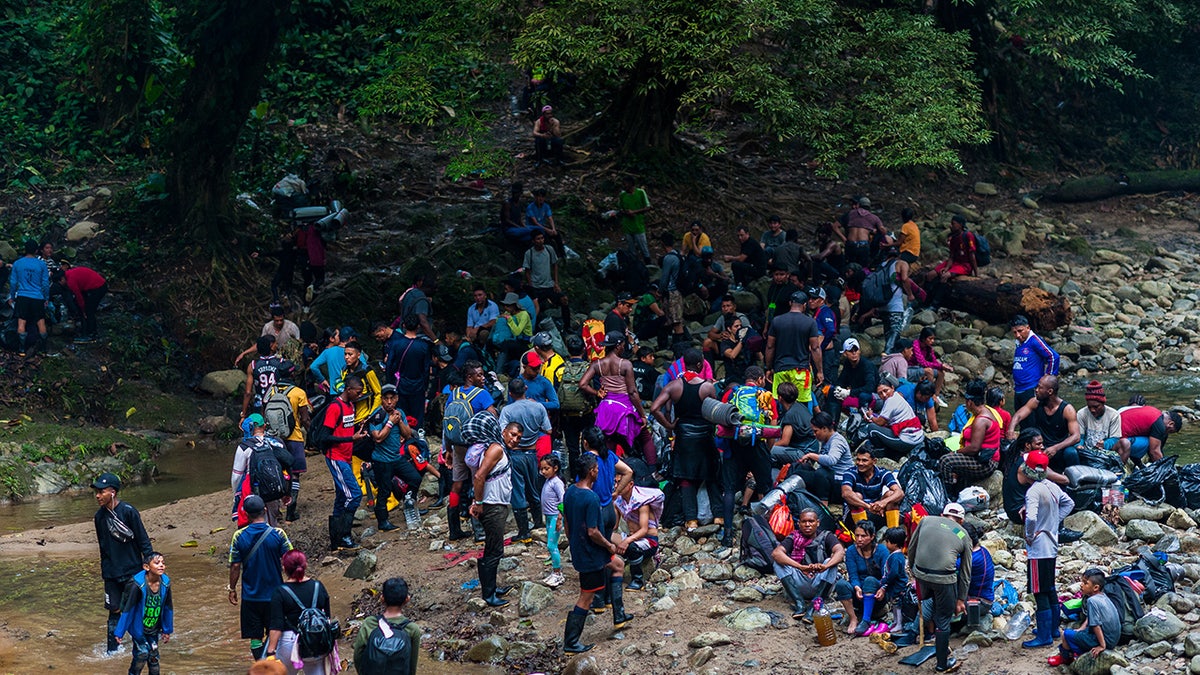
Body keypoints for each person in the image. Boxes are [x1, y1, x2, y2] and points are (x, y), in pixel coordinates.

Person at [562, 452, 632, 654]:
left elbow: (568, 522)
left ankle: (619, 615)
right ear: (592, 472)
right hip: (592, 553)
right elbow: (593, 531)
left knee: (618, 565)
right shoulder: (591, 498)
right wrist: (609, 545)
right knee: (586, 597)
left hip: (582, 550)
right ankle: (571, 642)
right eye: (597, 469)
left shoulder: (570, 492)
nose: (599, 472)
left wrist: (572, 541)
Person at [650, 349, 719, 535]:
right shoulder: (708, 387)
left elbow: (655, 408)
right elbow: (717, 413)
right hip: (704, 437)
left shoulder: (674, 386)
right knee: (710, 473)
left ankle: (691, 519)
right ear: (700, 365)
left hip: (684, 438)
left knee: (686, 479)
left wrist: (670, 426)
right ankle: (718, 516)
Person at [93, 472, 153, 653]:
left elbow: (143, 540)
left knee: (136, 610)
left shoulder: (128, 512)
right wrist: (105, 572)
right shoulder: (99, 517)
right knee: (114, 611)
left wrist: (150, 564)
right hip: (111, 574)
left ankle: (142, 647)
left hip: (132, 572)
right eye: (96, 492)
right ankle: (113, 650)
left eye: (101, 492)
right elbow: (103, 547)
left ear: (112, 492)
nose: (97, 496)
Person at [229, 495, 295, 661]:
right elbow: (291, 560)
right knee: (276, 631)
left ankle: (261, 665)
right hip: (276, 595)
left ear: (246, 513)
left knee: (255, 637)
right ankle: (275, 662)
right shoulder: (278, 534)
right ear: (265, 510)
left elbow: (235, 566)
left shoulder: (238, 536)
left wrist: (232, 589)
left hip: (251, 596)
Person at [1019, 449, 1074, 648]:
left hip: (1039, 547)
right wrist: (1054, 521)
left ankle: (1044, 636)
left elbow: (1032, 517)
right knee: (1049, 587)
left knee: (1039, 591)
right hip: (1051, 543)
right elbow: (1069, 503)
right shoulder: (1051, 486)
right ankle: (1052, 628)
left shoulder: (1033, 491)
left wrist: (1030, 534)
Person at [907, 505, 972, 673]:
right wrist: (961, 599)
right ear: (962, 521)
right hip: (944, 580)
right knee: (943, 620)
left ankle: (930, 638)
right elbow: (965, 573)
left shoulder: (926, 520)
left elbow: (912, 547)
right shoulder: (963, 534)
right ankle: (942, 664)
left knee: (932, 604)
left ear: (942, 514)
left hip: (921, 575)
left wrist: (914, 572)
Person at [465, 413, 518, 607]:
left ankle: (492, 587)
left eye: (518, 437)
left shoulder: (494, 447)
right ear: (502, 432)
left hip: (493, 503)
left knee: (491, 547)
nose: (515, 439)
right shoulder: (495, 449)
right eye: (512, 434)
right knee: (495, 550)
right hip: (492, 505)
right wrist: (477, 502)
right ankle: (489, 594)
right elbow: (479, 477)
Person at [579, 333, 654, 465]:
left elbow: (582, 384)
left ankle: (611, 473)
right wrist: (642, 415)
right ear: (618, 346)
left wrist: (597, 393)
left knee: (609, 440)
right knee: (645, 436)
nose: (624, 348)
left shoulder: (597, 364)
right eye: (623, 345)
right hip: (623, 407)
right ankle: (653, 471)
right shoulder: (625, 364)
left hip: (606, 408)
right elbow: (632, 392)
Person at [582, 425, 634, 612]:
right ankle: (610, 597)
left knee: (597, 553)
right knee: (605, 551)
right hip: (609, 510)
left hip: (595, 510)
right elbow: (628, 471)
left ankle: (598, 599)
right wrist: (616, 492)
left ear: (586, 442)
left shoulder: (588, 460)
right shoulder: (609, 456)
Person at [771, 508, 854, 622]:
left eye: (811, 521)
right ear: (799, 523)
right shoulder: (794, 536)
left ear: (817, 523)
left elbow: (840, 552)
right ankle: (799, 603)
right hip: (800, 581)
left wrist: (825, 566)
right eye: (804, 522)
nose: (807, 525)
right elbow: (776, 553)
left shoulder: (826, 536)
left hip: (820, 581)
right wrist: (799, 567)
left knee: (831, 562)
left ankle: (813, 607)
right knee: (778, 563)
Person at [317, 374, 368, 551]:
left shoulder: (351, 406)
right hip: (336, 457)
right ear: (349, 389)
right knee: (354, 495)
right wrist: (350, 438)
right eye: (358, 392)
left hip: (346, 456)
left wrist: (357, 433)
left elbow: (345, 429)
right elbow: (325, 436)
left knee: (341, 497)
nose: (360, 395)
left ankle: (336, 539)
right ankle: (344, 536)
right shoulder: (335, 407)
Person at [499, 377, 553, 541]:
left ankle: (524, 532)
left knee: (517, 492)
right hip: (532, 454)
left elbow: (503, 433)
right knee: (533, 489)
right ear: (526, 389)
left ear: (510, 393)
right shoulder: (538, 407)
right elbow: (548, 430)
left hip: (515, 455)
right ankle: (538, 524)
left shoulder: (507, 411)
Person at [266, 550, 333, 673]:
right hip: (316, 639)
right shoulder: (319, 586)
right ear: (305, 565)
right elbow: (327, 618)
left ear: (284, 568)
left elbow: (276, 626)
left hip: (290, 642)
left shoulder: (280, 592)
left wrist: (270, 652)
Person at [365, 384, 418, 532]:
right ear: (382, 399)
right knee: (384, 490)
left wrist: (399, 421)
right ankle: (383, 521)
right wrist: (390, 423)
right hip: (381, 460)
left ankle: (408, 503)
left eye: (392, 399)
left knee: (415, 478)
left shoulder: (399, 413)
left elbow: (408, 435)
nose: (389, 402)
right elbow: (378, 438)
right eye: (386, 399)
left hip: (396, 458)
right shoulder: (377, 415)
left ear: (396, 399)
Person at [938, 379, 1001, 497]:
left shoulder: (981, 420)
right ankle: (957, 487)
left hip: (986, 462)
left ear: (970, 402)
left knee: (945, 461)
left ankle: (948, 495)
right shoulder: (983, 412)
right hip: (982, 457)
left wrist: (956, 452)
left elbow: (974, 448)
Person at [1047, 568, 1121, 667]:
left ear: (1095, 587)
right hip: (1113, 639)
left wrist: (1102, 646)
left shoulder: (1092, 601)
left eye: (1085, 583)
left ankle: (1065, 658)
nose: (1081, 585)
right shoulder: (1103, 596)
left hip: (1105, 641)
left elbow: (1095, 625)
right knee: (1077, 632)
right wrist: (1081, 629)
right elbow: (1091, 617)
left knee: (1065, 634)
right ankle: (1074, 651)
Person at [114, 551, 173, 675]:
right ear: (146, 567)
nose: (161, 565)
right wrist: (120, 631)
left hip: (154, 627)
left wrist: (167, 630)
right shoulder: (137, 585)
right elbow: (127, 609)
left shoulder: (165, 583)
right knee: (142, 654)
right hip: (138, 627)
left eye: (163, 563)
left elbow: (168, 607)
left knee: (154, 659)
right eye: (157, 563)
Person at [231, 414, 294, 526]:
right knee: (272, 520)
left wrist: (236, 494)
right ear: (264, 426)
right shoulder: (277, 442)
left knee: (256, 521)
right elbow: (287, 467)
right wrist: (287, 492)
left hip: (254, 489)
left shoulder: (244, 447)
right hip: (275, 489)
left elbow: (237, 476)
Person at [1009, 374, 1080, 473]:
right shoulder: (1035, 402)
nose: (1036, 390)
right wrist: (1011, 429)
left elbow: (1076, 436)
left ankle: (1075, 481)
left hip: (1060, 447)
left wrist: (1056, 448)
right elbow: (1018, 415)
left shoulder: (1067, 409)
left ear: (1050, 391)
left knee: (1071, 452)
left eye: (1040, 388)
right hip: (1041, 446)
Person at [353, 577, 422, 675]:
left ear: (382, 598)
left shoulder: (370, 623)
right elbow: (412, 664)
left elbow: (358, 655)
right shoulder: (412, 629)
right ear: (407, 599)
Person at [765, 290, 823, 402]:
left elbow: (770, 346)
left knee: (780, 405)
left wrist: (768, 368)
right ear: (805, 305)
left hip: (781, 369)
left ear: (790, 303)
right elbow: (815, 348)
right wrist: (819, 371)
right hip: (801, 371)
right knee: (802, 405)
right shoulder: (810, 322)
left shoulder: (777, 321)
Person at [789, 411, 852, 504]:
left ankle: (823, 504)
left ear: (824, 429)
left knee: (821, 473)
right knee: (799, 468)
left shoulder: (837, 441)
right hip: (829, 479)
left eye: (816, 431)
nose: (814, 434)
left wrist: (811, 455)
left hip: (841, 482)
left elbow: (831, 460)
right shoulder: (825, 440)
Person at [613, 479, 662, 591]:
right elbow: (614, 527)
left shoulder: (642, 502)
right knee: (606, 539)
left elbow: (644, 530)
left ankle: (638, 580)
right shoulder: (618, 502)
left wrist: (626, 541)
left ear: (630, 484)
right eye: (615, 483)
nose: (617, 486)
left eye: (620, 482)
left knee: (632, 547)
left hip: (648, 540)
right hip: (630, 536)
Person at [841, 447, 903, 530]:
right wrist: (868, 506)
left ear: (874, 461)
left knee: (891, 494)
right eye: (858, 460)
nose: (860, 463)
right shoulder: (850, 473)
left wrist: (883, 502)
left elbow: (900, 492)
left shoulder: (883, 473)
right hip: (855, 515)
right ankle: (862, 532)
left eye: (864, 460)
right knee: (857, 495)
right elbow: (846, 493)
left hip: (877, 512)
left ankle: (893, 533)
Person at [865, 374, 925, 460]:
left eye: (886, 390)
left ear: (892, 388)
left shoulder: (890, 401)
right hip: (917, 437)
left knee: (871, 428)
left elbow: (880, 422)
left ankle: (882, 452)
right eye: (880, 393)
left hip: (908, 441)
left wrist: (870, 416)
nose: (884, 395)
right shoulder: (896, 396)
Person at [844, 520, 889, 635]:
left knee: (869, 580)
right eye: (857, 535)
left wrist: (883, 588)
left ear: (872, 536)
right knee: (841, 585)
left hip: (877, 595)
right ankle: (853, 618)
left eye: (863, 536)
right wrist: (857, 587)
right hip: (859, 595)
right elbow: (853, 575)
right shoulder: (851, 551)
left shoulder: (882, 551)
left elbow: (887, 574)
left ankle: (866, 620)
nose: (859, 539)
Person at [923, 215, 976, 307]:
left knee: (944, 276)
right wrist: (946, 268)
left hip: (964, 265)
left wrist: (975, 272)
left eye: (953, 224)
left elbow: (972, 256)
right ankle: (924, 299)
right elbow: (951, 256)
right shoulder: (953, 238)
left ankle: (935, 304)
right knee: (930, 275)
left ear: (960, 225)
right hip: (954, 262)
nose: (950, 226)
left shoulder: (968, 236)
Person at [8, 239, 50, 355]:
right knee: (40, 322)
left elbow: (13, 283)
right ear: (37, 251)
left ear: (25, 250)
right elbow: (45, 283)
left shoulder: (17, 263)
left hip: (22, 296)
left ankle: (22, 350)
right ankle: (44, 349)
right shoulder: (41, 264)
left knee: (22, 322)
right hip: (37, 297)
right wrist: (46, 297)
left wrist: (12, 296)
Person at [1010, 315, 1060, 411]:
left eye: (1020, 331)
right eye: (1014, 332)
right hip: (1018, 388)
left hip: (1032, 388)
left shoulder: (1034, 340)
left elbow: (1053, 356)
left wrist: (1048, 379)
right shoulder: (1019, 342)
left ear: (1028, 328)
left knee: (1032, 421)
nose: (1017, 335)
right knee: (1022, 421)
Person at [524, 231, 571, 331]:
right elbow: (527, 271)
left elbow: (555, 265)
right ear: (533, 241)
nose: (541, 241)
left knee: (564, 300)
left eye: (542, 238)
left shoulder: (549, 249)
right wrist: (531, 287)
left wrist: (556, 283)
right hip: (536, 287)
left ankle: (568, 326)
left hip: (549, 285)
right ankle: (533, 329)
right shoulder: (529, 253)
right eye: (538, 239)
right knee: (534, 308)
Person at [826, 337, 877, 425]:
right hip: (855, 392)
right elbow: (842, 380)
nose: (854, 353)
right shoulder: (847, 363)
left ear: (859, 351)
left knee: (863, 396)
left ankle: (862, 422)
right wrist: (838, 388)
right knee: (832, 390)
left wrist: (849, 392)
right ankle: (833, 422)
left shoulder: (867, 365)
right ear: (845, 353)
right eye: (850, 351)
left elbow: (870, 387)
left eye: (856, 350)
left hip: (872, 395)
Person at [1074, 380, 1130, 460]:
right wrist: (1079, 445)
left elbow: (1115, 438)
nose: (1092, 410)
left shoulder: (1113, 415)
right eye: (1089, 407)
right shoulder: (1081, 414)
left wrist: (1105, 444)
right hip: (1087, 452)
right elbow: (1080, 437)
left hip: (1107, 452)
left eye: (1096, 407)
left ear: (1103, 403)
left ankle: (1118, 470)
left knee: (1125, 443)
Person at [52, 264, 107, 342]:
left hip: (98, 287)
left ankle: (92, 334)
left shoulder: (71, 281)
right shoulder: (69, 273)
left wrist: (83, 310)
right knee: (85, 308)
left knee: (89, 311)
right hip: (92, 286)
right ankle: (86, 329)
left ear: (62, 279)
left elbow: (79, 297)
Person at [769, 382, 818, 465]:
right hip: (813, 448)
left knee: (769, 450)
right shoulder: (800, 406)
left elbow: (785, 441)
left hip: (804, 453)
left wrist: (768, 445)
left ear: (780, 398)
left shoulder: (790, 415)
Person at [1119, 404, 1183, 464]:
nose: (1166, 433)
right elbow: (1154, 451)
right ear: (1171, 424)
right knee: (1151, 443)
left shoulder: (1154, 411)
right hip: (1118, 442)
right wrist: (1163, 468)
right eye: (1170, 431)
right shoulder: (1160, 425)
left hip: (1113, 435)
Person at [539, 455, 567, 587]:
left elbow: (563, 500)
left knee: (552, 545)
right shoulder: (548, 481)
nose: (543, 471)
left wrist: (560, 518)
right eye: (542, 469)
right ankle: (555, 571)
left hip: (556, 517)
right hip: (549, 517)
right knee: (550, 544)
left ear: (555, 468)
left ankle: (557, 573)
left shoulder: (556, 482)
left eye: (546, 468)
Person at [836, 197, 888, 268]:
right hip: (863, 245)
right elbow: (883, 231)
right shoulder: (874, 217)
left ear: (859, 205)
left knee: (849, 267)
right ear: (869, 207)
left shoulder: (849, 214)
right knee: (862, 268)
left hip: (851, 244)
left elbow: (834, 226)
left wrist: (844, 239)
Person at [242, 336, 284, 421]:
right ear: (271, 346)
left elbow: (248, 392)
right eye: (275, 343)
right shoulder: (281, 363)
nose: (277, 345)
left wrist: (243, 414)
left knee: (259, 430)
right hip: (277, 403)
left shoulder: (253, 365)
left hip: (260, 404)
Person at [496, 292, 533, 377]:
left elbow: (517, 331)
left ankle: (499, 372)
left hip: (525, 343)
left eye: (508, 306)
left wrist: (509, 319)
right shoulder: (509, 313)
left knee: (506, 345)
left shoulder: (524, 314)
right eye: (505, 306)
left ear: (514, 306)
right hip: (514, 340)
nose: (506, 308)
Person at [617, 176, 652, 264]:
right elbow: (620, 209)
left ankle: (649, 266)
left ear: (631, 184)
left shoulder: (640, 192)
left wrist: (635, 212)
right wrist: (626, 212)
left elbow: (648, 207)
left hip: (638, 226)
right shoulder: (622, 195)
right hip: (627, 226)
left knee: (644, 248)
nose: (623, 186)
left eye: (625, 184)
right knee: (631, 249)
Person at [657, 233, 685, 341]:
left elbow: (664, 278)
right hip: (678, 291)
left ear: (662, 244)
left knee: (676, 322)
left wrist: (659, 291)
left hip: (672, 292)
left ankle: (680, 348)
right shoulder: (678, 255)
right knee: (672, 320)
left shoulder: (668, 258)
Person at [396, 273, 436, 341]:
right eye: (433, 289)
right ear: (428, 288)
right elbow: (423, 321)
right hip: (416, 336)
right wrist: (436, 340)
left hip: (404, 331)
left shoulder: (410, 292)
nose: (435, 291)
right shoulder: (422, 300)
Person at [911, 327, 949, 398]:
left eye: (933, 339)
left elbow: (934, 361)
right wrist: (940, 366)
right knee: (929, 371)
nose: (932, 341)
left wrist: (943, 366)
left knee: (941, 373)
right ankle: (930, 395)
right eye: (930, 338)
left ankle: (936, 395)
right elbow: (922, 362)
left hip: (920, 368)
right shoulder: (916, 345)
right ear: (923, 338)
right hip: (911, 368)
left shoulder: (929, 348)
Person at [525, 188, 563, 256]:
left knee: (557, 235)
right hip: (533, 228)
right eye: (539, 196)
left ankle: (563, 254)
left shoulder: (546, 206)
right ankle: (554, 255)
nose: (540, 198)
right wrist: (547, 230)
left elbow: (550, 218)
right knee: (545, 238)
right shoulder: (530, 207)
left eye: (542, 197)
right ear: (535, 197)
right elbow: (535, 222)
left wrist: (553, 229)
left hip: (542, 227)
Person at [718, 313, 753, 386]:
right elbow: (732, 355)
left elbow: (759, 356)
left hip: (747, 375)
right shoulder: (725, 343)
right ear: (729, 329)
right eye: (736, 326)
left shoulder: (746, 341)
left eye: (740, 325)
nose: (739, 328)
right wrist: (742, 340)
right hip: (733, 378)